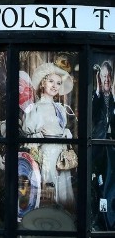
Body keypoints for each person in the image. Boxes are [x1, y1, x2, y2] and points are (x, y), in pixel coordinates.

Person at [22, 62, 74, 211]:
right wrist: (38, 135)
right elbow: (27, 134)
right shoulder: (35, 108)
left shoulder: (61, 108)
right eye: (51, 81)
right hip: (46, 154)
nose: (55, 86)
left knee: (62, 188)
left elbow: (64, 130)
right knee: (48, 187)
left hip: (61, 155)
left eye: (58, 83)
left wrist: (66, 134)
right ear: (43, 82)